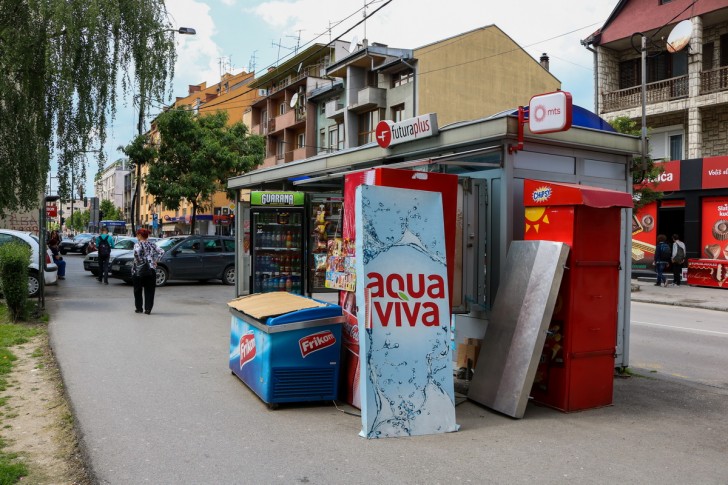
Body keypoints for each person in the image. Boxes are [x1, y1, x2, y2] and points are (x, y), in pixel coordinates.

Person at [132, 228, 164, 315]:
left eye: (137, 234)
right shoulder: (152, 244)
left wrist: (140, 261)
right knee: (150, 290)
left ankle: (139, 308)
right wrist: (156, 260)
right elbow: (161, 251)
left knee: (137, 290)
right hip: (151, 269)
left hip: (138, 270)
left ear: (140, 235)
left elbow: (136, 253)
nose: (136, 236)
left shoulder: (137, 245)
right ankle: (148, 309)